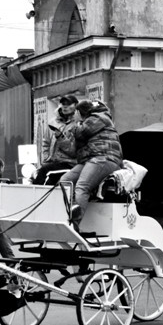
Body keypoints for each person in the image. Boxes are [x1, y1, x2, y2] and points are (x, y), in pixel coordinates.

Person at [59, 99, 123, 227]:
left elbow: (80, 132)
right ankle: (68, 212)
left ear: (82, 112)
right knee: (65, 180)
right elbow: (73, 151)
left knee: (82, 186)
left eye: (77, 112)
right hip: (92, 159)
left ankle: (74, 224)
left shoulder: (99, 117)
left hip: (105, 157)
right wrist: (60, 137)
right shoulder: (87, 122)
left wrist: (76, 121)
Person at [36, 94, 79, 184]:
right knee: (39, 175)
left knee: (44, 173)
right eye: (63, 103)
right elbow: (45, 143)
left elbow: (74, 151)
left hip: (70, 164)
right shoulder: (53, 122)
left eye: (68, 104)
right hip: (53, 163)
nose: (65, 106)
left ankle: (35, 196)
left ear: (76, 105)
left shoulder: (78, 124)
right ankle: (35, 195)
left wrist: (61, 137)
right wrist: (46, 159)